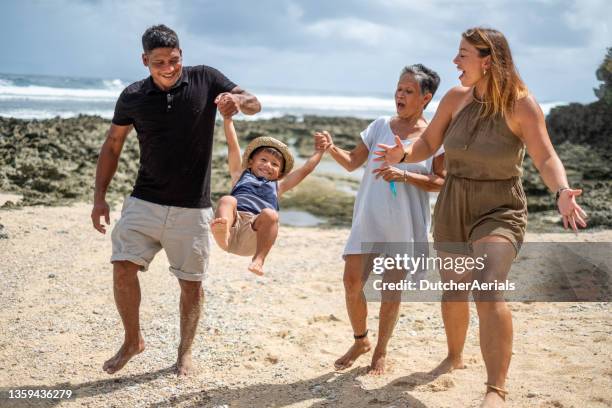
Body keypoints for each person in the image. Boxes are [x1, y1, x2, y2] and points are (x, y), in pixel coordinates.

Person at [375, 27, 587, 407]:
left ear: (487, 60)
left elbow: (545, 156)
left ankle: (495, 389)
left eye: (463, 54)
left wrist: (561, 192)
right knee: (454, 287)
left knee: (488, 286)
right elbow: (429, 142)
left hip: (499, 205)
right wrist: (403, 154)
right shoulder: (455, 98)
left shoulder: (522, 105)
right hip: (454, 202)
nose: (455, 62)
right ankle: (454, 356)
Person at [90, 24, 261, 376]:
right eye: (160, 63)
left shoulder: (206, 78)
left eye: (174, 60)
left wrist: (238, 101)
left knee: (191, 285)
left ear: (182, 54)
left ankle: (184, 354)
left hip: (192, 208)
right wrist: (99, 198)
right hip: (144, 200)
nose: (169, 68)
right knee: (122, 267)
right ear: (144, 60)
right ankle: (132, 341)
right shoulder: (133, 96)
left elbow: (254, 103)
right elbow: (112, 145)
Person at [315, 64, 445, 375]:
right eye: (399, 88)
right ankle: (361, 340)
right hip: (369, 218)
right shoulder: (379, 126)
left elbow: (441, 181)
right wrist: (331, 148)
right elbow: (352, 163)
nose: (399, 94)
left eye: (408, 91)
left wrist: (403, 175)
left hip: (405, 224)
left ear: (425, 98)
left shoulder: (433, 137)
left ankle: (381, 351)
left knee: (390, 290)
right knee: (351, 283)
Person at [210, 115, 324, 275]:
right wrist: (228, 119)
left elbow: (305, 169)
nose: (268, 165)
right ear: (250, 162)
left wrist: (319, 152)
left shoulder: (279, 186)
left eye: (275, 164)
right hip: (232, 227)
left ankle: (259, 260)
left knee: (271, 215)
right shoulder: (239, 175)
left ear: (280, 173)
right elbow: (233, 146)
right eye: (263, 159)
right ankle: (223, 233)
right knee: (227, 200)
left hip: (255, 234)